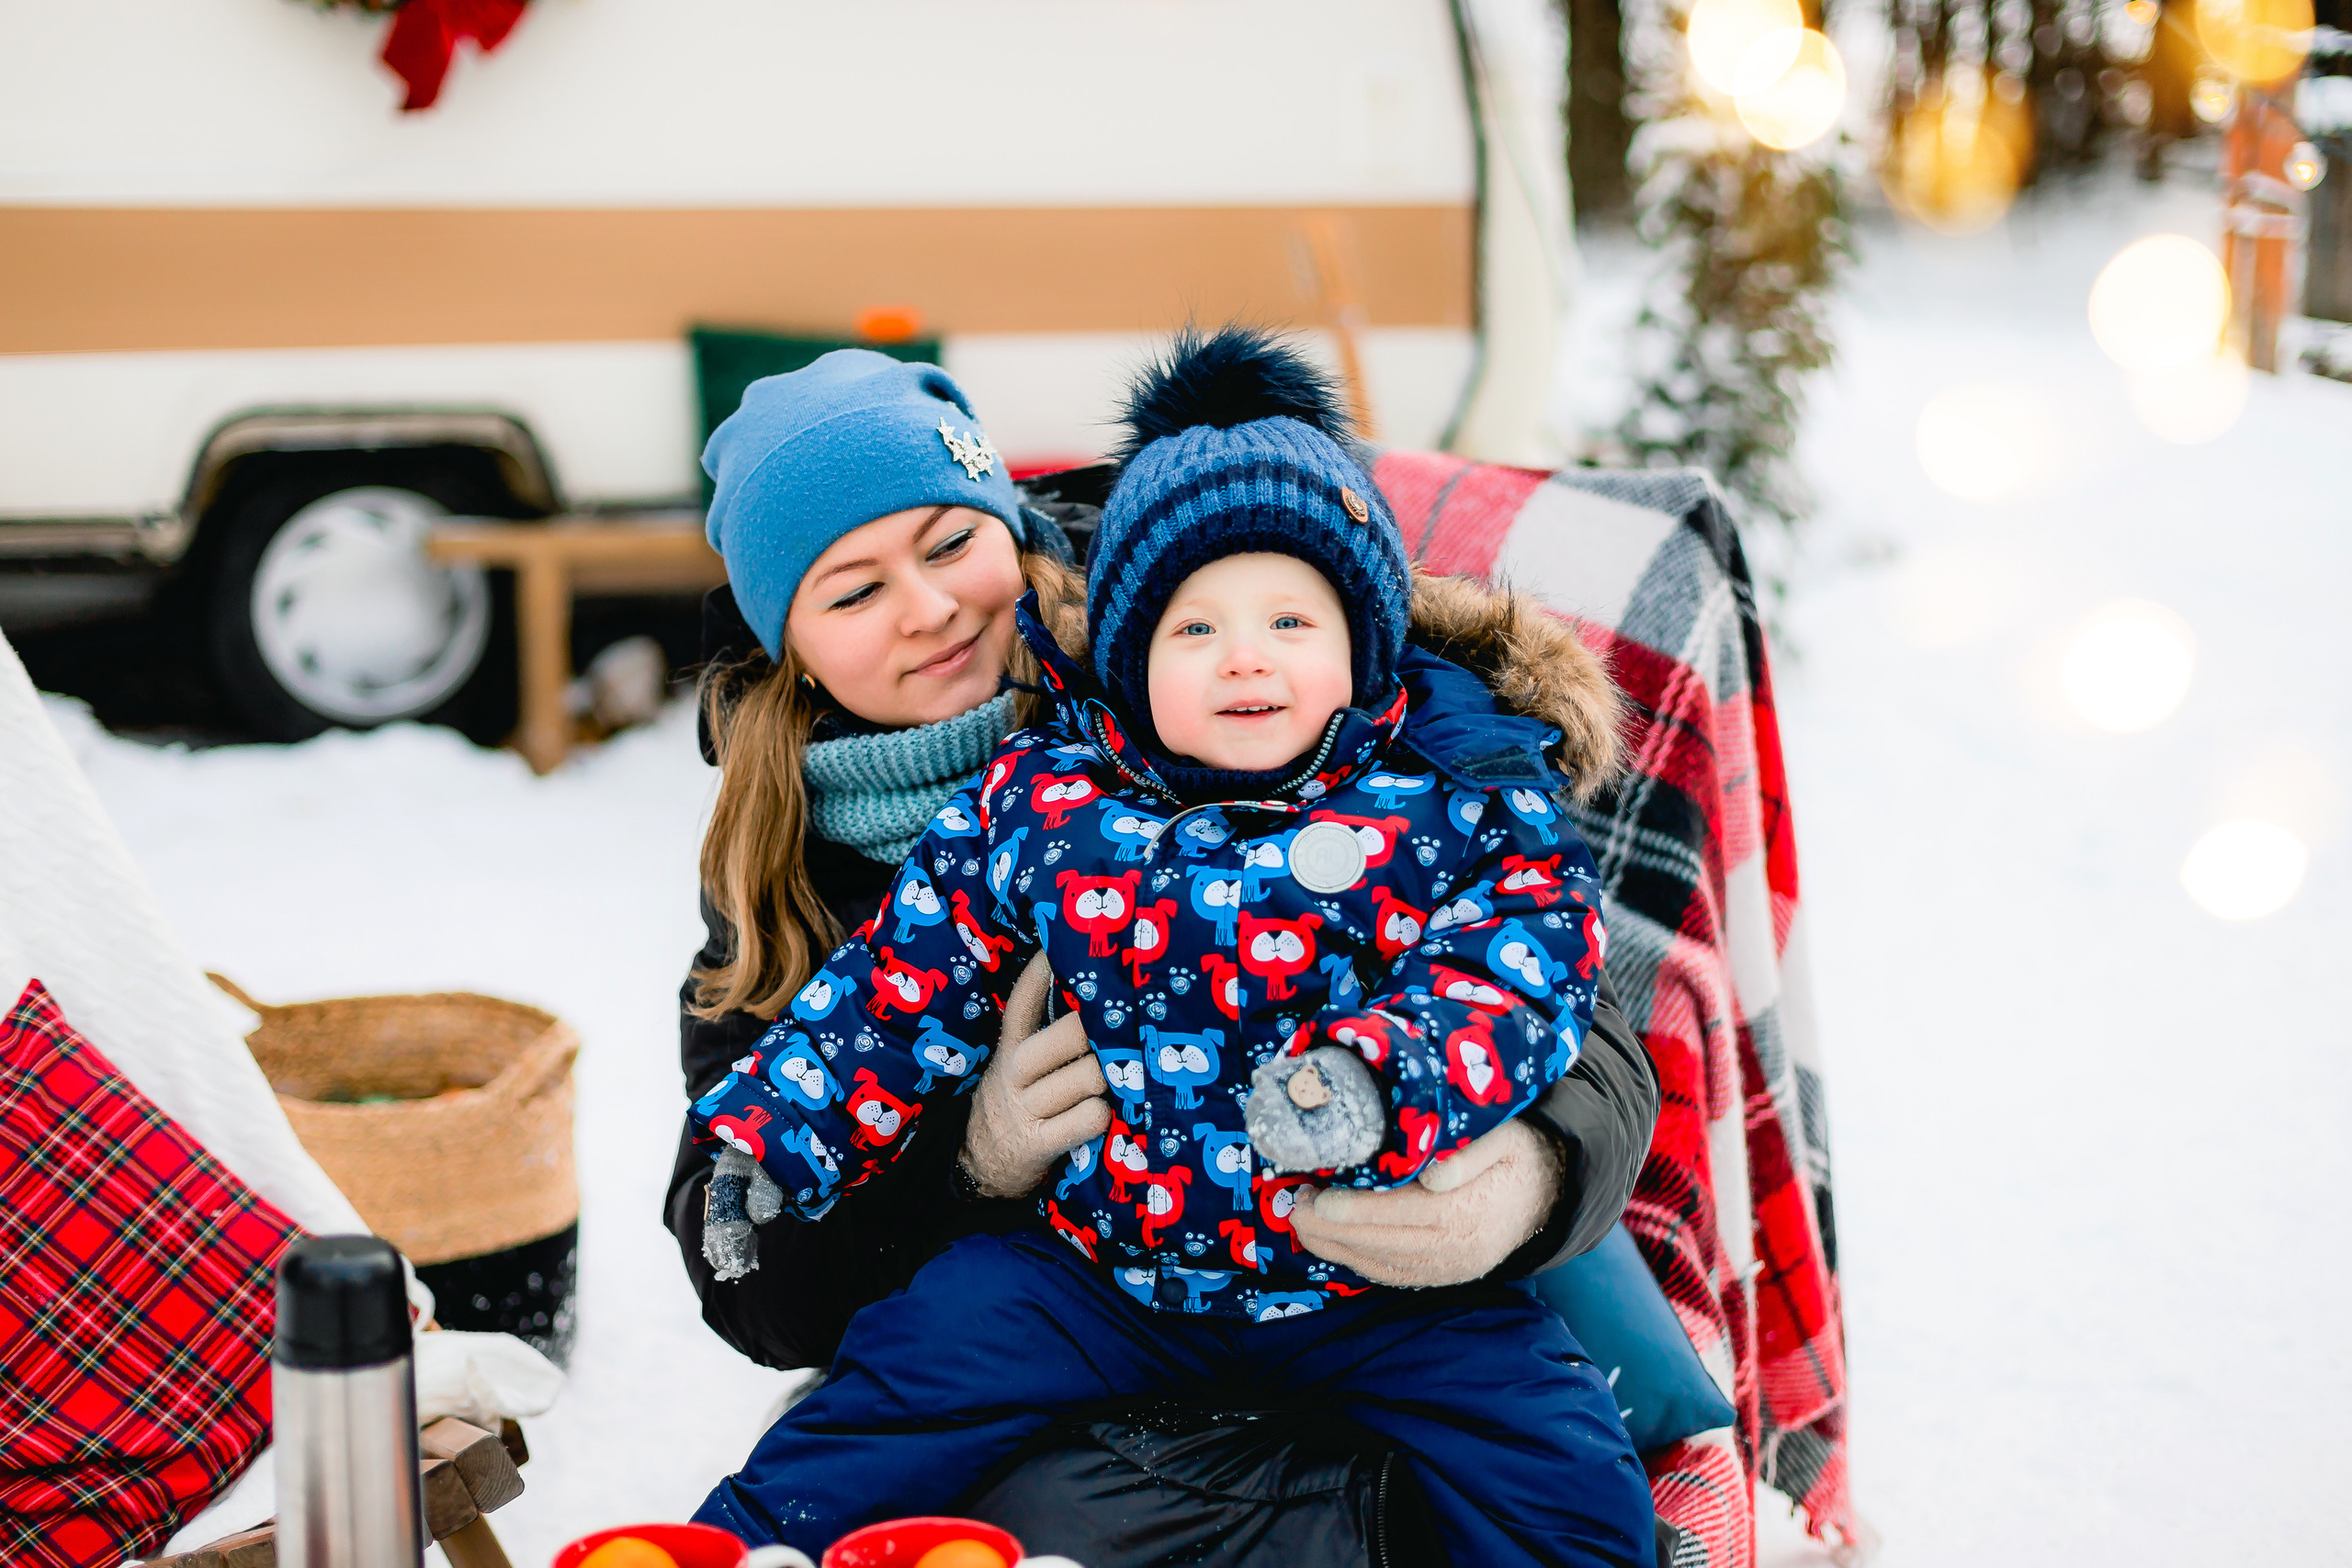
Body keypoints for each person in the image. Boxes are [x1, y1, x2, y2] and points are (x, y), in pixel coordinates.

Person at [686, 329, 1656, 1566]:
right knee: (906, 1379)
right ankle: (733, 1549)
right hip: (1099, 1279)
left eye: (948, 543)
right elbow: (886, 991)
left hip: (1366, 1278)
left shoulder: (1435, 794)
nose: (928, 608)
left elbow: (1524, 972)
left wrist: (1482, 1146)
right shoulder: (1043, 807)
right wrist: (830, 1153)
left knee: (1561, 1457)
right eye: (854, 588)